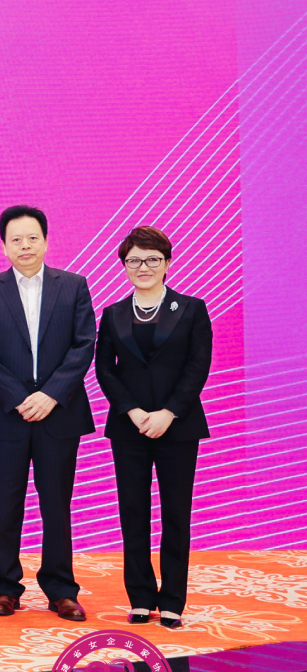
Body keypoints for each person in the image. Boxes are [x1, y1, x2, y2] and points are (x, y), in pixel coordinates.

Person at [0, 205, 97, 621]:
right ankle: (5, 587)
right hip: (7, 414)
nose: (25, 246)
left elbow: (83, 345)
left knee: (57, 504)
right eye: (16, 240)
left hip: (59, 413)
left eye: (32, 238)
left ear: (45, 241)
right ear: (3, 246)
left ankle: (61, 589)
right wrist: (21, 398)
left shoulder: (73, 286)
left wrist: (50, 396)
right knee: (6, 504)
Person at [95, 226, 212, 630]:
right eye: (134, 260)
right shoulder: (113, 314)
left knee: (176, 512)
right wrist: (131, 410)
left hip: (178, 427)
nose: (143, 267)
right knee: (133, 512)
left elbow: (198, 366)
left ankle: (173, 600)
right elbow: (105, 370)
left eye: (152, 259)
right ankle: (141, 597)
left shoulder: (192, 308)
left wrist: (169, 412)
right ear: (124, 265)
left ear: (167, 262)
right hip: (129, 428)